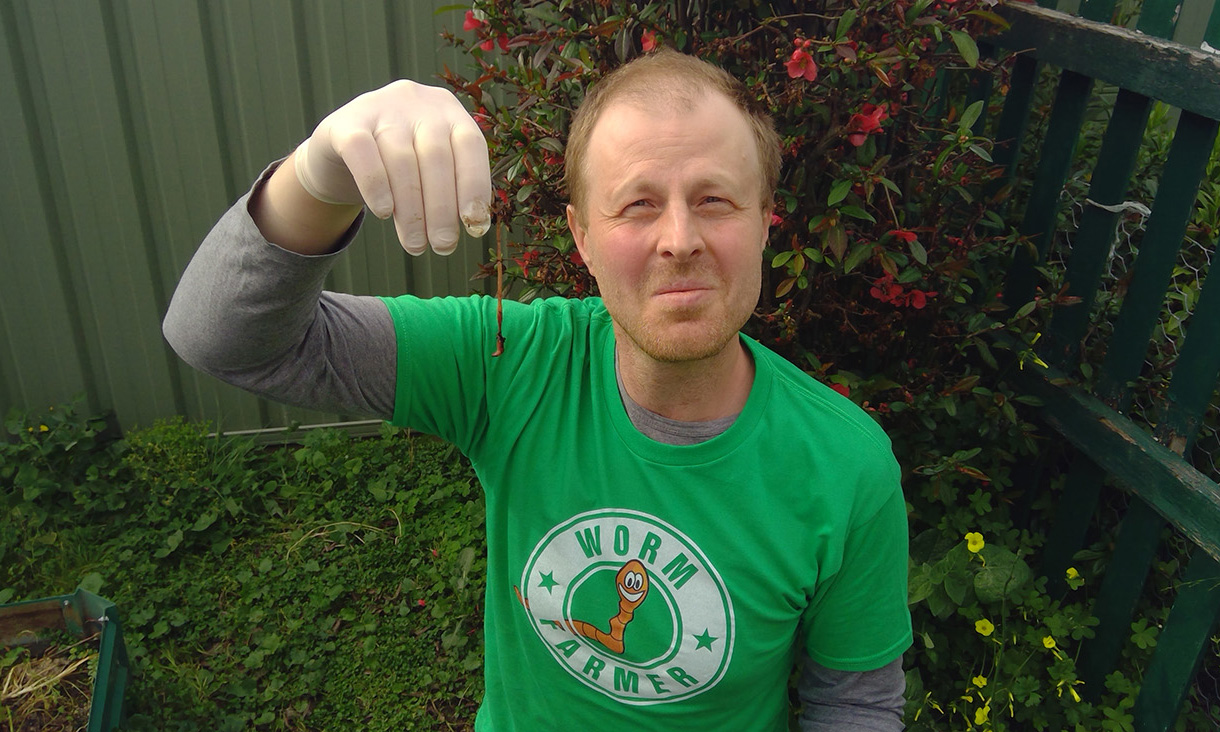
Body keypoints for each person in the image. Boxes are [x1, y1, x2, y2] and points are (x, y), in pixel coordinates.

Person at [164, 48, 911, 731]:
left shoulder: (847, 466)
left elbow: (853, 699)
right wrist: (319, 171)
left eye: (715, 200)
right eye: (638, 203)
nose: (679, 238)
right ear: (581, 237)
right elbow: (222, 339)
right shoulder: (510, 363)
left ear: (764, 225)